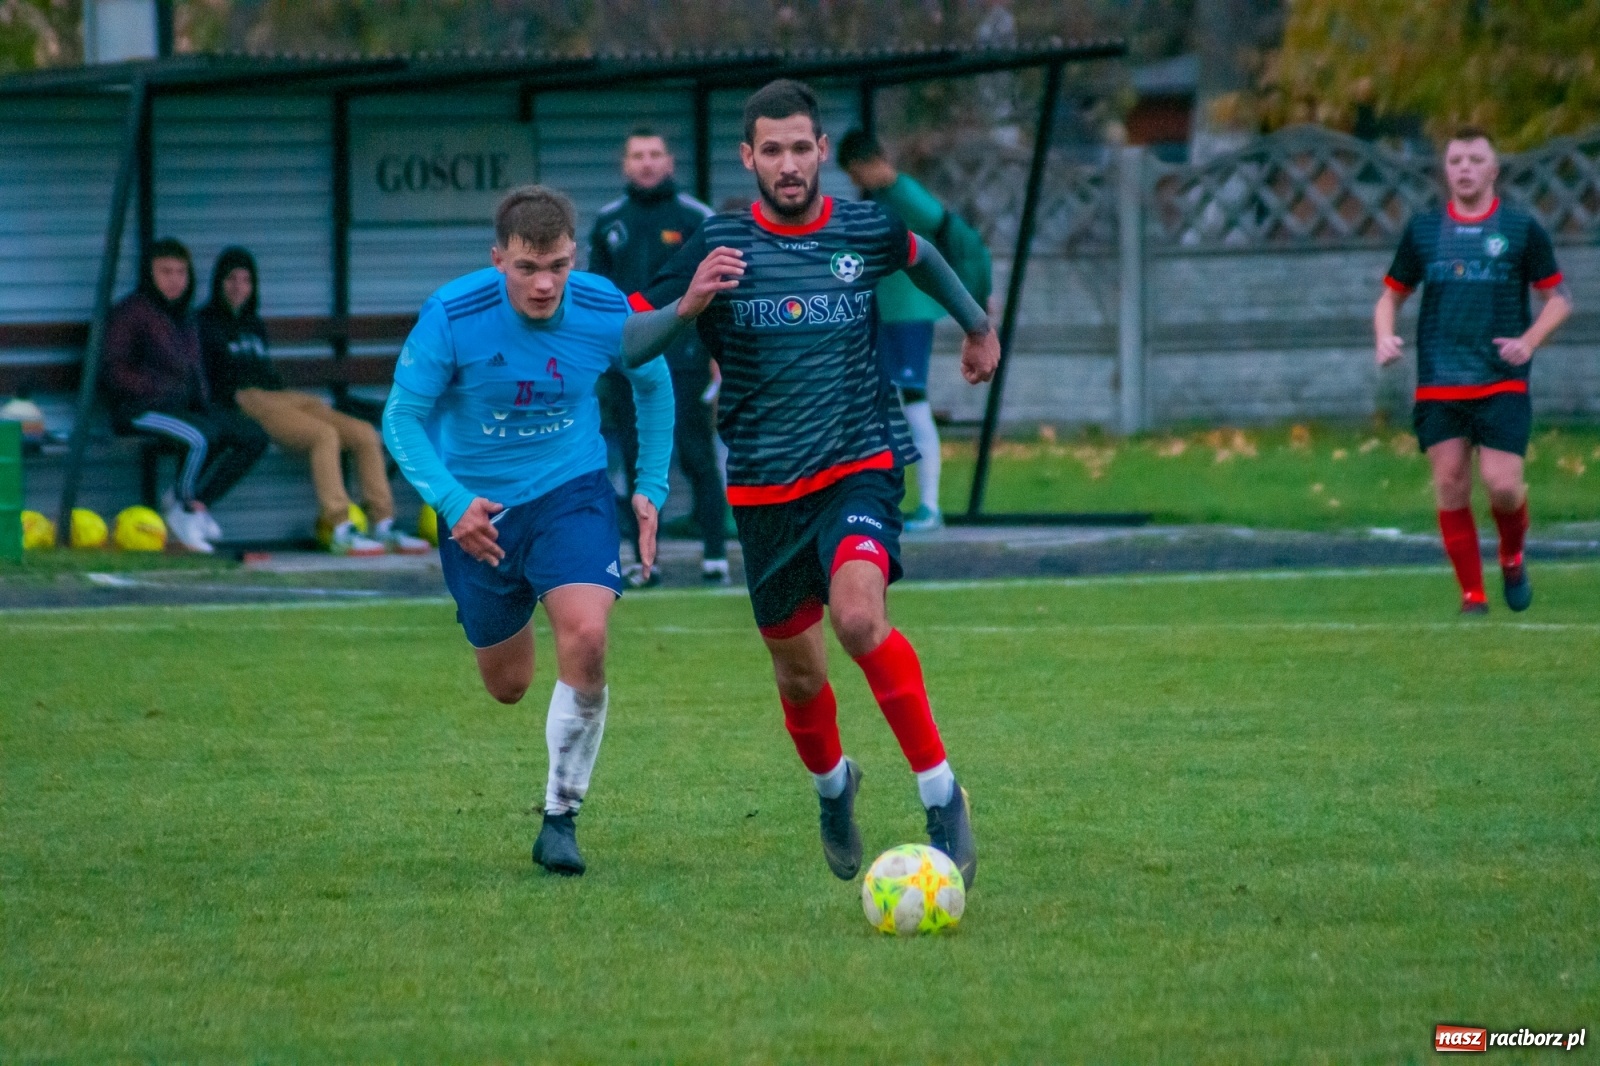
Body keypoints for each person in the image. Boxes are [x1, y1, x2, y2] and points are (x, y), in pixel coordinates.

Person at [630, 80, 1000, 888]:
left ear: (823, 150)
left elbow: (924, 257)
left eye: (802, 148)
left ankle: (942, 795)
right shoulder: (718, 242)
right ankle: (834, 788)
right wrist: (689, 304)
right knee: (799, 674)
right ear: (749, 157)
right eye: (773, 150)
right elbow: (627, 342)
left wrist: (977, 326)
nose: (790, 164)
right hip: (764, 492)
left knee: (859, 618)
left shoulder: (863, 227)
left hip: (857, 464)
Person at [382, 184, 730, 875]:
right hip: (479, 514)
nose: (544, 285)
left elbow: (653, 383)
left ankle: (560, 818)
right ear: (498, 260)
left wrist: (650, 487)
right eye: (527, 268)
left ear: (574, 256)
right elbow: (401, 418)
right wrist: (452, 503)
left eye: (558, 266)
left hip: (572, 492)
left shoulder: (602, 304)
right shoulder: (453, 314)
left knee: (588, 636)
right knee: (508, 684)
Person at [1376, 126, 1572, 614]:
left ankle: (1512, 556)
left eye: (1475, 160)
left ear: (1493, 170)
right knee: (1450, 483)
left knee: (1502, 485)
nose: (1464, 169)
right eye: (1456, 161)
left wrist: (1528, 341)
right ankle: (1473, 596)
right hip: (1440, 382)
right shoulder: (1424, 231)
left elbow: (1559, 300)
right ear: (1446, 171)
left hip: (1501, 380)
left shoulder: (1520, 229)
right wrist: (1384, 335)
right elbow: (1390, 296)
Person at [198, 247, 427, 556]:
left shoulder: (253, 323)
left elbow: (266, 372)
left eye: (245, 280)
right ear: (218, 282)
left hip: (281, 397)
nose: (238, 287)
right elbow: (212, 381)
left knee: (363, 434)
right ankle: (339, 527)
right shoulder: (205, 322)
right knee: (324, 435)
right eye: (231, 279)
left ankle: (382, 524)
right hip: (245, 401)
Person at [589, 127, 730, 586]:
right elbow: (597, 295)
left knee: (695, 455)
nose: (647, 162)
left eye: (654, 154)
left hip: (684, 358)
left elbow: (721, 290)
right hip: (629, 362)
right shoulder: (609, 221)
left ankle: (715, 556)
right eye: (638, 155)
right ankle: (646, 561)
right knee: (638, 461)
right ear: (625, 165)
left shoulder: (696, 217)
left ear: (669, 162)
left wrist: (716, 352)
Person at [837, 128, 994, 531]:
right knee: (883, 405)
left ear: (867, 163)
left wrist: (978, 296)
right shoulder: (881, 197)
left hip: (908, 315)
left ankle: (929, 506)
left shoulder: (904, 193)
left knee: (914, 402)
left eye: (854, 172)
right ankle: (888, 501)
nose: (854, 181)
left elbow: (952, 234)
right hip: (885, 314)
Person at [101, 237, 268, 552]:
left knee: (251, 436)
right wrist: (158, 389)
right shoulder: (131, 312)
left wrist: (200, 399)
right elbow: (113, 370)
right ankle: (184, 510)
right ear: (149, 274)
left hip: (181, 407)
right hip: (139, 409)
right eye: (165, 272)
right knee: (199, 438)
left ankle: (193, 502)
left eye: (181, 272)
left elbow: (194, 367)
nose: (175, 280)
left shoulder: (184, 315)